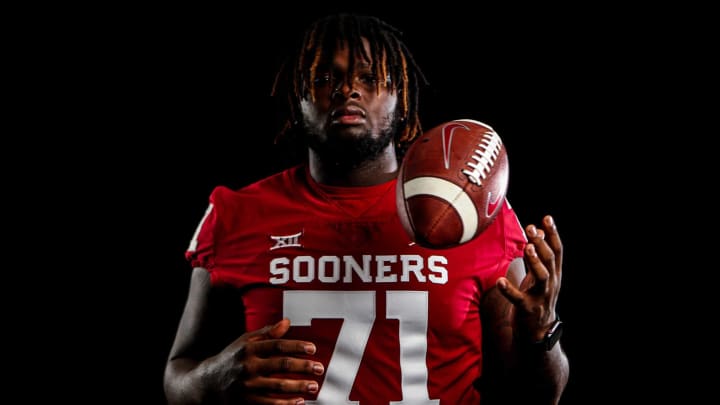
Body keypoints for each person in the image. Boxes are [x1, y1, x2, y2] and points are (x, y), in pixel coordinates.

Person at [164, 13, 569, 405]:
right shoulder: (237, 213)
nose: (346, 90)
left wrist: (541, 333)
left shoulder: (474, 211)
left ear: (400, 94)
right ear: (296, 99)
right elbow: (177, 376)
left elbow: (537, 397)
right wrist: (215, 378)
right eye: (324, 78)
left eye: (370, 78)